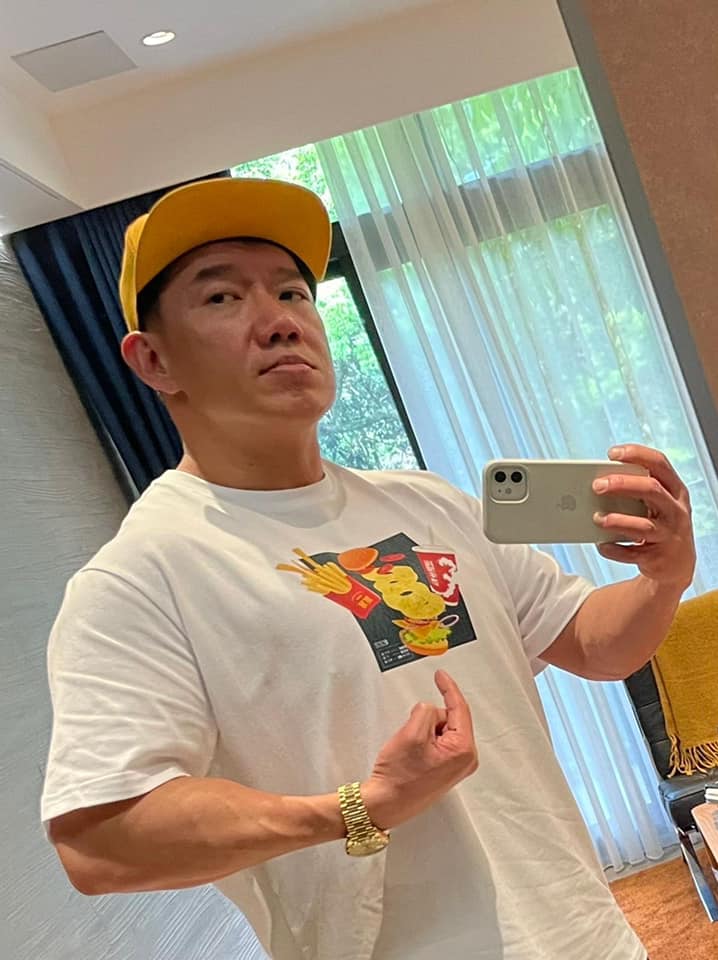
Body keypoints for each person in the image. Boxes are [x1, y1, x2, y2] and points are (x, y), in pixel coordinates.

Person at [42, 177, 694, 960]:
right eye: (222, 298)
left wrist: (663, 578)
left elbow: (593, 644)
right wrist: (358, 808)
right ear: (152, 360)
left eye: (293, 292)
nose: (280, 321)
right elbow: (100, 840)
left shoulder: (426, 503)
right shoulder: (143, 576)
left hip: (586, 935)